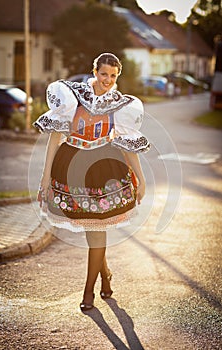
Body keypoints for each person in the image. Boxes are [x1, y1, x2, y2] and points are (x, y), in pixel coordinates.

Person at [33, 52, 150, 312]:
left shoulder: (121, 106)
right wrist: (45, 175)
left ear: (117, 76)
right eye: (103, 73)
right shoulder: (72, 98)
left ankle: (89, 292)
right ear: (94, 71)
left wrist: (140, 179)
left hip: (104, 169)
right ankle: (105, 274)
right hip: (71, 165)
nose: (107, 80)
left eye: (113, 76)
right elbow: (54, 140)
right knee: (92, 230)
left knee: (98, 230)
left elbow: (127, 144)